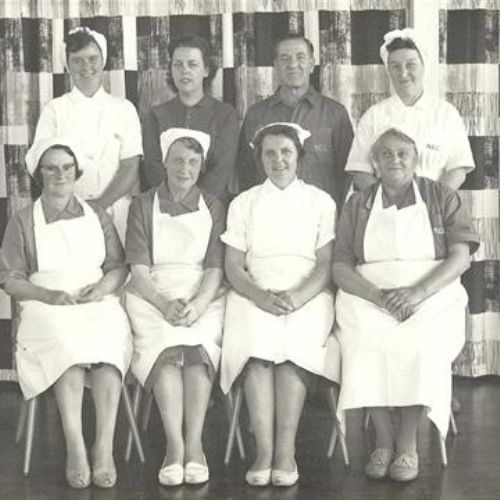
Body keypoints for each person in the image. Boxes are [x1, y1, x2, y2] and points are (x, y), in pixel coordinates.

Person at [332, 127, 479, 482]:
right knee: (364, 339)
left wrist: (417, 293)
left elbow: (460, 257)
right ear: (375, 163)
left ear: (416, 161)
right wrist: (377, 296)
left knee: (418, 341)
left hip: (432, 291)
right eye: (386, 154)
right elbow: (339, 267)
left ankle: (408, 441)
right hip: (370, 292)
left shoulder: (440, 195)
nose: (394, 160)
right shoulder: (358, 202)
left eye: (402, 154)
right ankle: (383, 439)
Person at [0, 138, 132, 489]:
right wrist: (48, 294)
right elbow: (9, 278)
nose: (60, 174)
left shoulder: (97, 215)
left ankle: (103, 446)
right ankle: (75, 445)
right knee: (67, 350)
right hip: (45, 306)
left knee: (107, 347)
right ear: (39, 175)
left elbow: (118, 267)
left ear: (77, 173)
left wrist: (102, 289)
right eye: (51, 168)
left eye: (67, 168)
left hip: (94, 301)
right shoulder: (23, 220)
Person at [221, 122, 340, 487]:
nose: (278, 160)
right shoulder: (244, 203)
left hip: (308, 292)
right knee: (257, 348)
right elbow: (232, 265)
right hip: (254, 290)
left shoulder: (321, 202)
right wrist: (259, 295)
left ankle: (285, 451)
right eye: (269, 153)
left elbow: (325, 264)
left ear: (299, 157)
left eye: (286, 152)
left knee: (292, 350)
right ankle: (264, 450)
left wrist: (298, 297)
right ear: (259, 159)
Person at [125, 128, 226, 486]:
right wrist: (164, 304)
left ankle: (195, 445)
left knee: (197, 346)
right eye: (178, 160)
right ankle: (174, 446)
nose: (185, 168)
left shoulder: (213, 206)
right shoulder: (141, 205)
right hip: (152, 293)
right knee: (166, 344)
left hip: (203, 292)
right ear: (164, 162)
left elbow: (216, 267)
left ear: (201, 167)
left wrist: (198, 305)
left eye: (193, 162)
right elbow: (138, 270)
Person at [25, 26, 143, 241]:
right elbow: (43, 166)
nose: (86, 66)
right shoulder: (55, 110)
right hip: (66, 213)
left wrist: (98, 206)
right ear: (67, 65)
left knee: (117, 272)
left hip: (116, 214)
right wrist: (72, 207)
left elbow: (130, 167)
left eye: (92, 58)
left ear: (103, 60)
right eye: (77, 60)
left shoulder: (124, 109)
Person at [346, 27, 474, 191]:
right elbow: (360, 171)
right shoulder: (374, 116)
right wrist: (388, 202)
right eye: (395, 66)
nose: (403, 73)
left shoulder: (446, 114)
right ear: (388, 71)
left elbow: (458, 169)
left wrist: (433, 202)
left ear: (423, 65)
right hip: (387, 210)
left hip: (435, 208)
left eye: (410, 65)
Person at [237, 33, 353, 206]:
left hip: (320, 220)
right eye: (285, 58)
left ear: (312, 64)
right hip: (267, 217)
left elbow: (347, 175)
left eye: (300, 57)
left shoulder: (335, 114)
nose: (292, 64)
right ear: (275, 66)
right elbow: (245, 173)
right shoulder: (256, 115)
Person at [141, 35, 239, 203]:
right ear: (171, 70)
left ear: (206, 70)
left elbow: (220, 171)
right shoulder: (156, 115)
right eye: (178, 64)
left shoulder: (225, 115)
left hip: (211, 208)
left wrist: (193, 204)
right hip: (165, 207)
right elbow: (153, 166)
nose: (184, 70)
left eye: (192, 64)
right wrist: (173, 201)